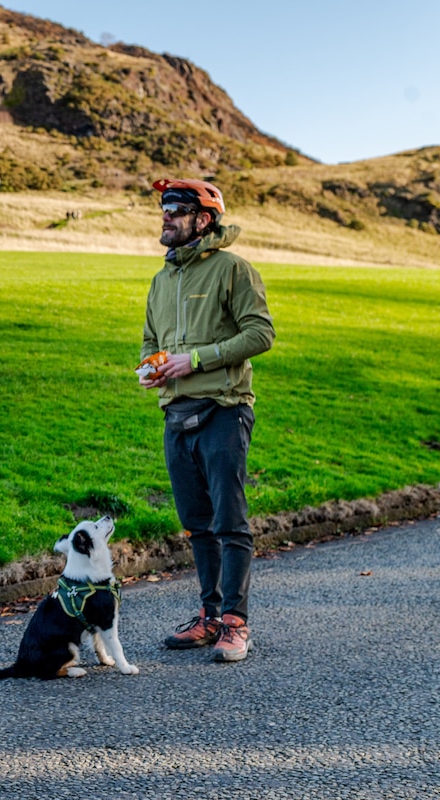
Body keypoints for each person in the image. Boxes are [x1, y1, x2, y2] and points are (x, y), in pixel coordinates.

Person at [138, 177, 274, 663]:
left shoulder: (233, 269)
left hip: (223, 409)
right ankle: (210, 615)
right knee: (196, 525)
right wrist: (151, 367)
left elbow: (260, 334)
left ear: (203, 219)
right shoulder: (162, 280)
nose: (166, 216)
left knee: (229, 522)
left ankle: (236, 623)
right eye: (164, 208)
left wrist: (194, 360)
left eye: (176, 209)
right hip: (176, 414)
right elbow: (151, 340)